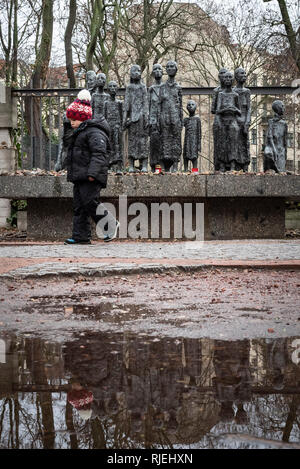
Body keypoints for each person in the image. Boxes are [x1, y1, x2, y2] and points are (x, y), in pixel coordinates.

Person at [64, 89, 119, 245]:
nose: (71, 122)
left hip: (91, 176)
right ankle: (81, 236)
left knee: (90, 202)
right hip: (80, 176)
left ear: (83, 118)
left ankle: (110, 224)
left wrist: (93, 174)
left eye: (74, 119)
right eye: (70, 119)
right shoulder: (79, 132)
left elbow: (100, 154)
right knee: (79, 206)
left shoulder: (95, 132)